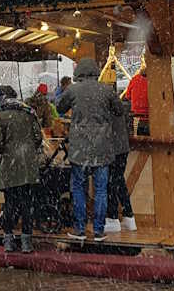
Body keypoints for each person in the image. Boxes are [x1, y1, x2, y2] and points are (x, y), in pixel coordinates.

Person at [57, 58, 123, 242]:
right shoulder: (106, 90)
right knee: (101, 189)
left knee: (78, 187)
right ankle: (99, 231)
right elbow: (119, 110)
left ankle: (79, 229)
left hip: (80, 149)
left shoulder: (73, 90)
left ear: (78, 74)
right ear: (96, 72)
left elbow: (59, 108)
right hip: (102, 147)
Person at [0, 85, 42, 253]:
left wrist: (0, 153)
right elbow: (38, 137)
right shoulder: (29, 113)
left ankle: (8, 239)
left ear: (3, 97)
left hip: (9, 165)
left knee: (10, 204)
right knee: (27, 203)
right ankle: (26, 241)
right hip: (28, 165)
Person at [104, 91, 136, 234]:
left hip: (111, 150)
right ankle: (129, 216)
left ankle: (113, 218)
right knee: (118, 181)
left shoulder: (106, 112)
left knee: (111, 184)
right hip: (123, 149)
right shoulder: (122, 109)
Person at [124, 67, 149, 135]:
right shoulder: (152, 81)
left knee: (138, 137)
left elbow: (127, 96)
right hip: (150, 114)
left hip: (136, 115)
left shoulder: (134, 79)